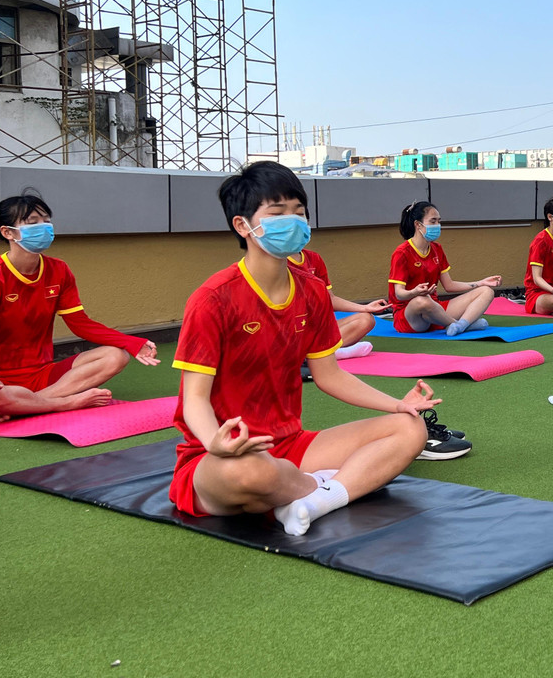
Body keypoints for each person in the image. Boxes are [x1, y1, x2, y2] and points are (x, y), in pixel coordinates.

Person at [170, 162, 469, 539]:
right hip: (222, 455)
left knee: (410, 428)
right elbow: (194, 398)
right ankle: (326, 485)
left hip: (292, 445)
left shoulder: (310, 290)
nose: (293, 221)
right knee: (251, 472)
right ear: (243, 225)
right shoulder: (213, 299)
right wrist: (215, 442)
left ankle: (313, 501)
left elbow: (330, 375)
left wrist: (397, 405)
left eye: (299, 212)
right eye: (277, 213)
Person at [0, 192, 158, 419]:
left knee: (116, 356)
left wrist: (131, 343)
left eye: (46, 221)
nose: (43, 227)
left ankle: (29, 404)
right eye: (33, 222)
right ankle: (64, 403)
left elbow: (81, 324)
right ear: (7, 232)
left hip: (42, 374)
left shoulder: (59, 270)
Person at [388, 201, 502, 336]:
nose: (438, 225)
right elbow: (399, 294)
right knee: (422, 300)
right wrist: (414, 292)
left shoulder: (437, 248)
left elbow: (449, 285)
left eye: (439, 221)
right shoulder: (402, 253)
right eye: (433, 221)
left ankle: (460, 325)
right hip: (411, 317)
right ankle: (461, 325)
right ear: (418, 225)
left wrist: (480, 283)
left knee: (486, 291)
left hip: (436, 310)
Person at [287, 247, 389, 363]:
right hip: (290, 328)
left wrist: (365, 307)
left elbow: (330, 299)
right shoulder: (276, 261)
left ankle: (322, 352)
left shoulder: (314, 258)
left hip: (316, 327)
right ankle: (323, 353)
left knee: (366, 319)